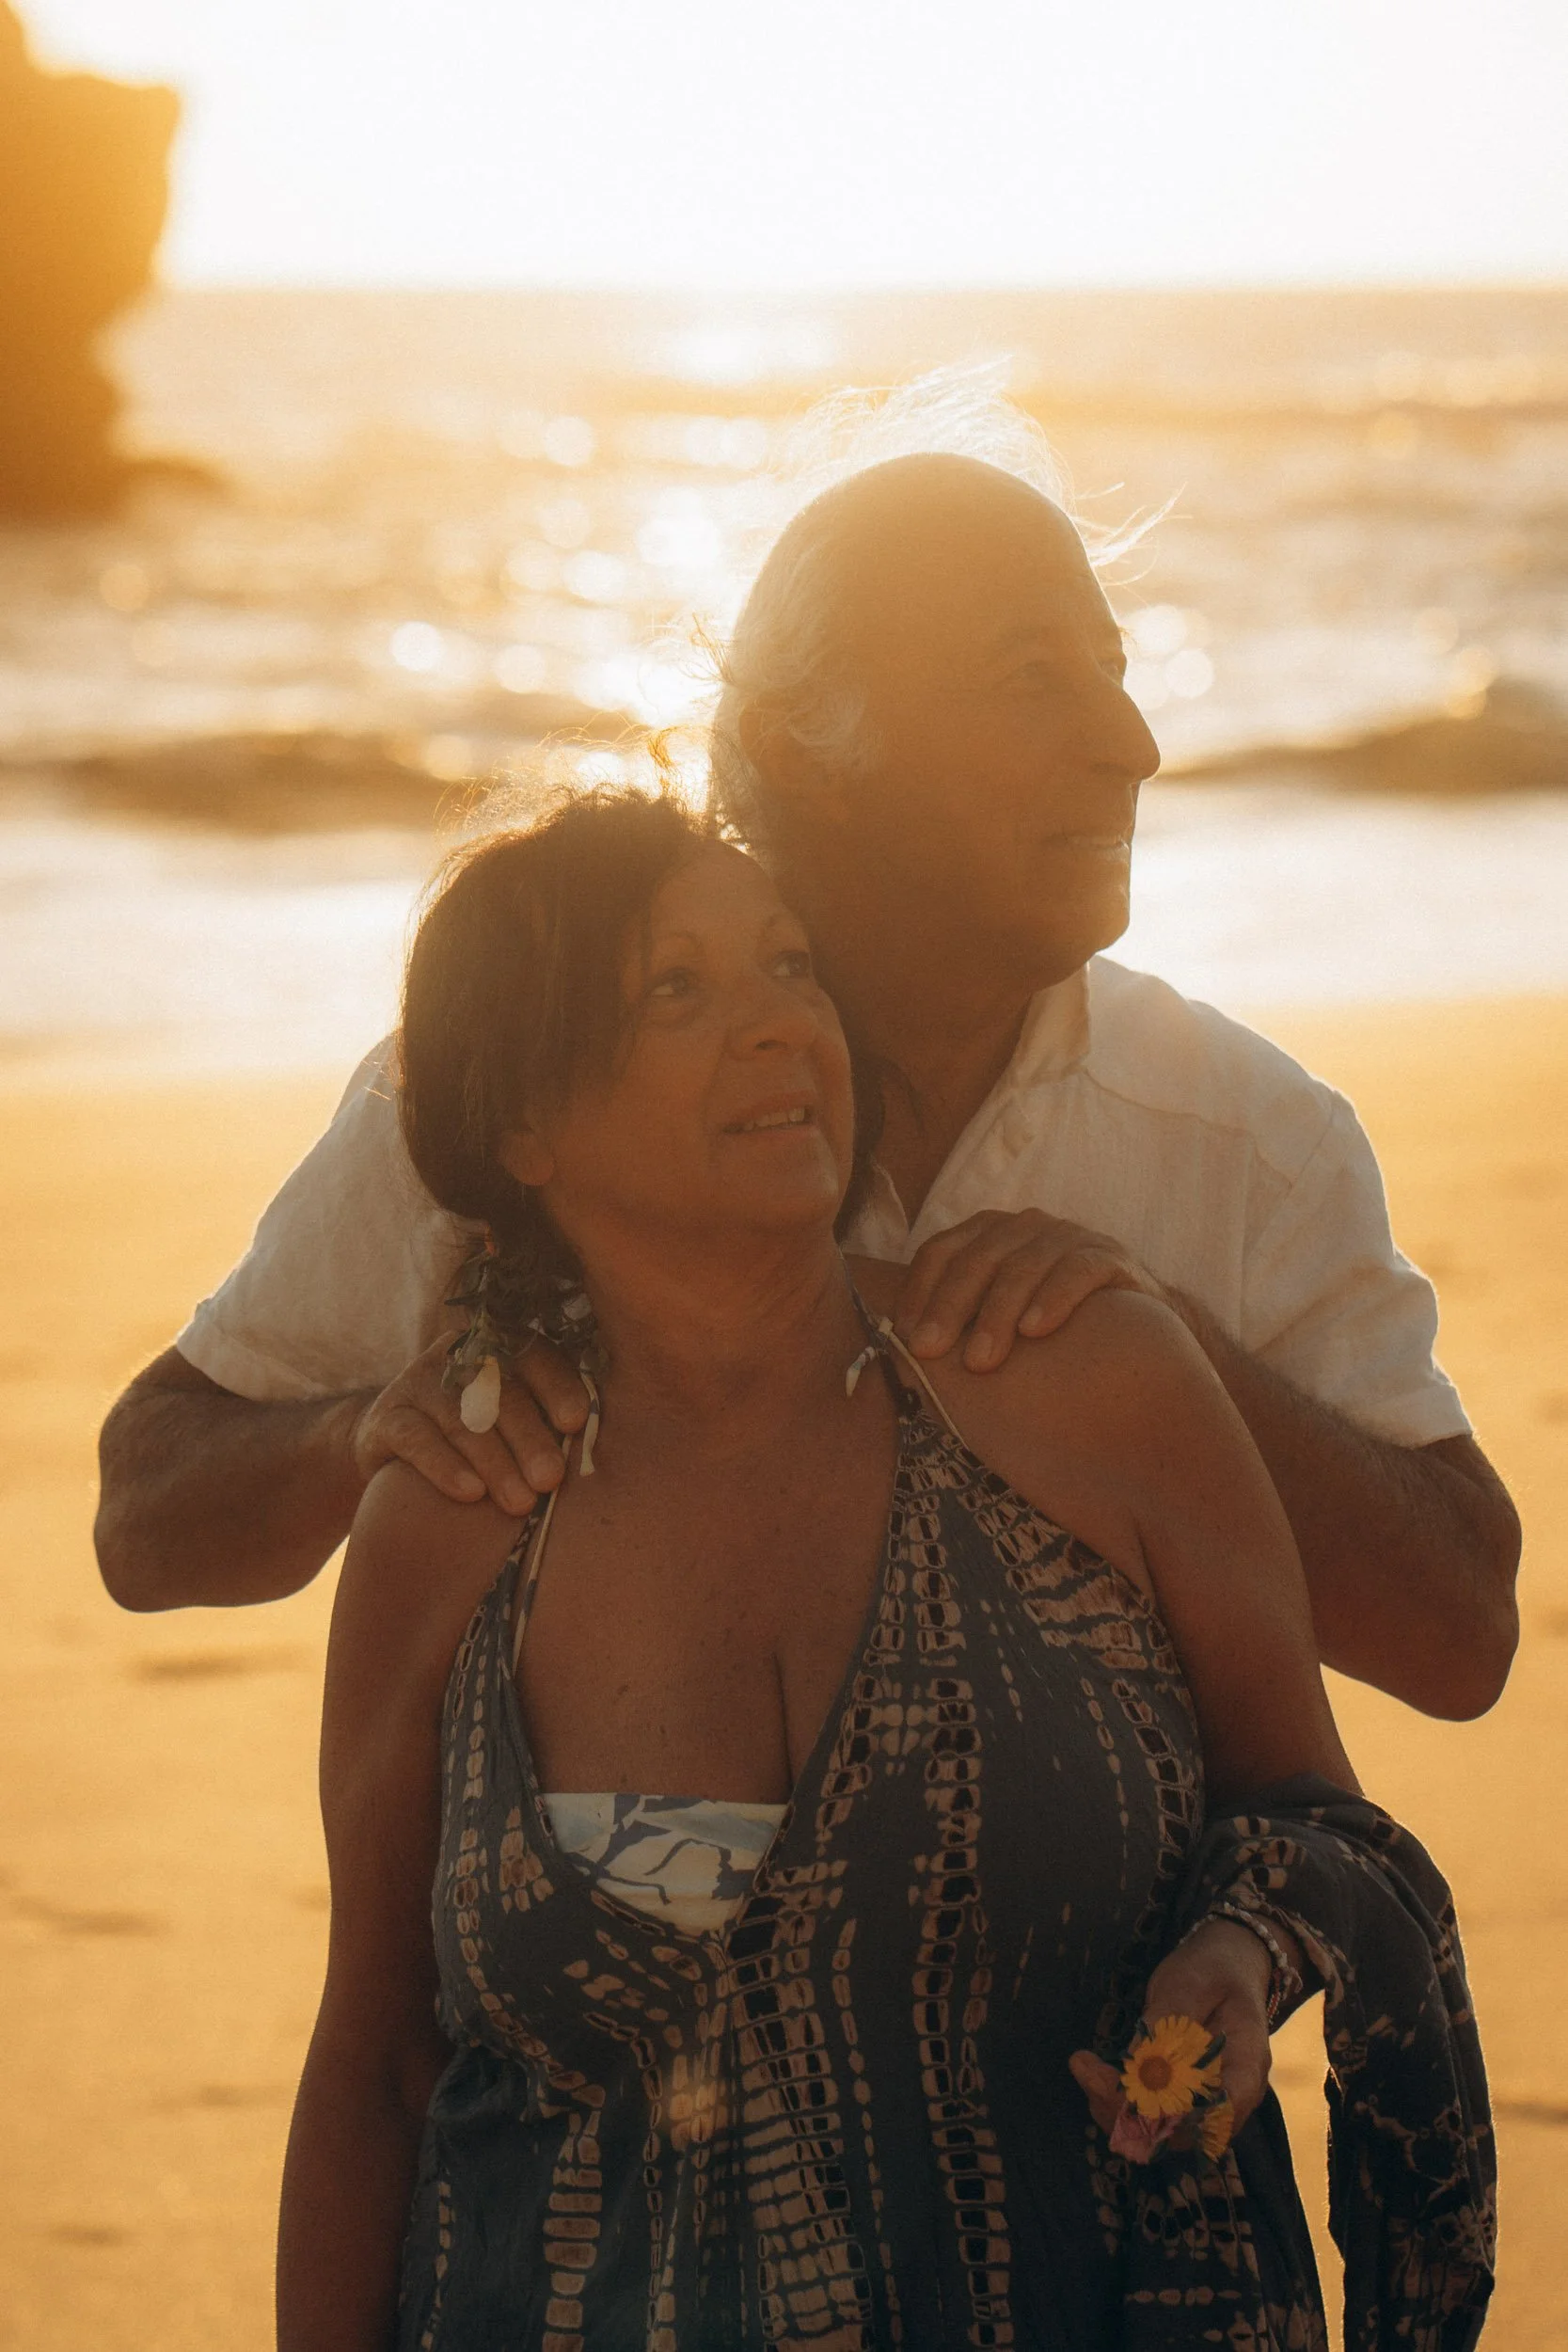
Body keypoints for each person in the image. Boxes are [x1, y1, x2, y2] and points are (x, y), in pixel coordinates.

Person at [277, 787, 1492, 2352]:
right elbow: (376, 2070)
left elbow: (1333, 1834)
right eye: (678, 989)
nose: (782, 1025)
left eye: (791, 967)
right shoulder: (456, 1514)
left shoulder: (1077, 1380)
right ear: (524, 1119)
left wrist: (1243, 1946)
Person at [94, 421, 1520, 1722]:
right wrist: (360, 1436)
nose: (1129, 745)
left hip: (1111, 2012)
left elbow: (1460, 1637)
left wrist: (1160, 1359)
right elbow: (147, 1512)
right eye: (1032, 680)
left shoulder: (1238, 1141)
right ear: (802, 752)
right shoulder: (537, 1090)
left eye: (1113, 671)